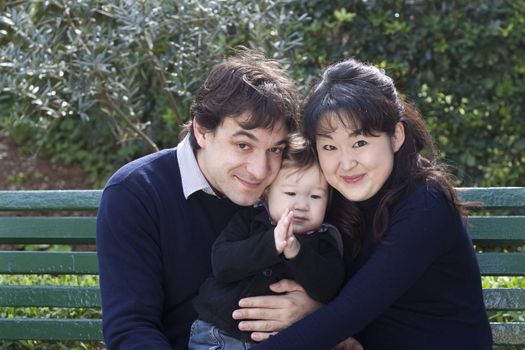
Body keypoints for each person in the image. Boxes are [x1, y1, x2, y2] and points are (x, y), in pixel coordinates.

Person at [251, 58, 493, 349]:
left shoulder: (425, 205)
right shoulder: (335, 197)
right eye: (329, 147)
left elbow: (349, 312)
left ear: (396, 136)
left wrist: (317, 312)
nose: (346, 163)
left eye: (360, 143)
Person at [96, 48, 322, 349]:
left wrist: (318, 310)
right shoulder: (136, 193)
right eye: (243, 145)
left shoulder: (288, 187)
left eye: (275, 149)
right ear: (202, 131)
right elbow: (131, 330)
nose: (260, 170)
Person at [189, 134, 345, 349]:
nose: (301, 205)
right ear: (266, 194)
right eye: (291, 193)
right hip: (219, 334)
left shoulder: (325, 240)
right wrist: (272, 243)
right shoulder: (249, 221)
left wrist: (296, 252)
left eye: (316, 196)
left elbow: (328, 288)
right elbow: (222, 264)